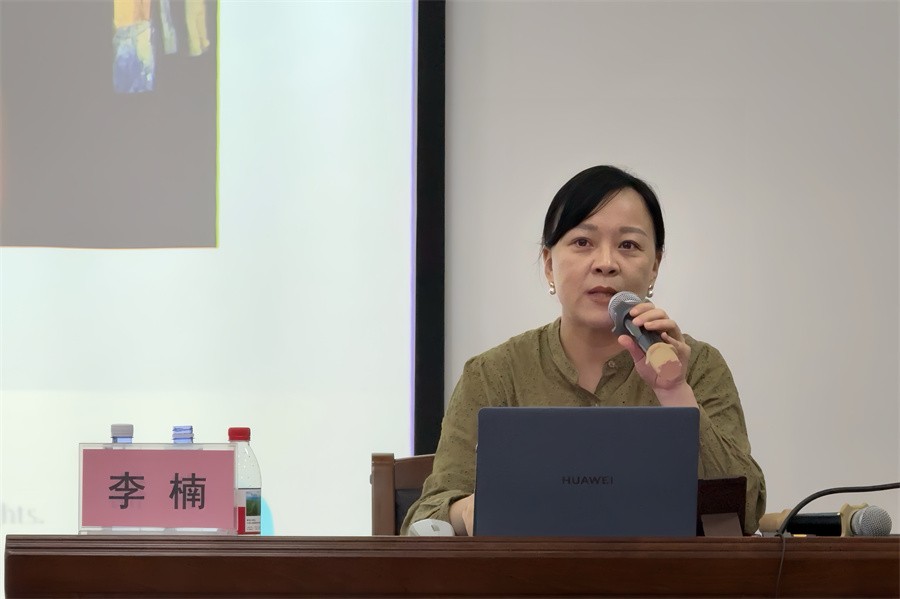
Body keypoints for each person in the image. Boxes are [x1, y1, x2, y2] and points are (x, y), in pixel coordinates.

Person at [401, 164, 767, 536]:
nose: (606, 263)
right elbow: (426, 514)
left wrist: (675, 392)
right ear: (549, 265)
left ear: (655, 266)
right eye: (582, 242)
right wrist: (471, 509)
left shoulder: (698, 364)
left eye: (628, 245)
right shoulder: (493, 373)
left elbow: (746, 510)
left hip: (661, 573)